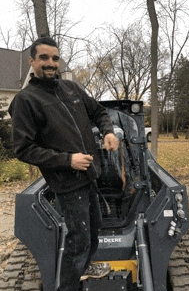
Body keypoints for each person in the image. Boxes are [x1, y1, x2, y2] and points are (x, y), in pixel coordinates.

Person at [8, 37, 119, 291]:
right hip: (68, 183)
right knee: (78, 241)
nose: (50, 63)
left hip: (90, 174)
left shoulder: (71, 89)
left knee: (93, 230)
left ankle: (86, 265)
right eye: (44, 58)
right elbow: (23, 149)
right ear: (32, 61)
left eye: (55, 58)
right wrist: (68, 160)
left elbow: (99, 112)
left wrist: (108, 131)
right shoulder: (26, 101)